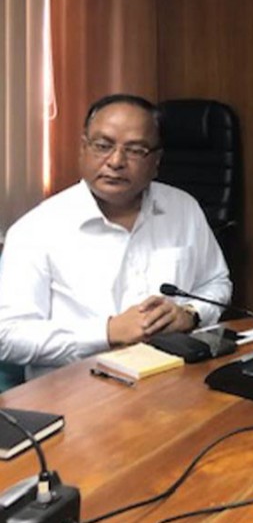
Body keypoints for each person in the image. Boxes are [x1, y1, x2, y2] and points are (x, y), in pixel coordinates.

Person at [0, 94, 233, 379]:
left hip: (173, 385)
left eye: (135, 150)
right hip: (78, 396)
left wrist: (191, 313)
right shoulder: (36, 230)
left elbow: (216, 282)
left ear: (156, 161)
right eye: (103, 146)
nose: (116, 161)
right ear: (83, 149)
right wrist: (107, 332)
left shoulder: (183, 209)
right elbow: (7, 336)